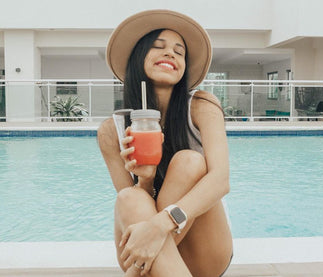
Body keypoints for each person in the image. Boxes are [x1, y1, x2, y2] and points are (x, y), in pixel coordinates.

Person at [97, 10, 233, 277]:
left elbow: (221, 180)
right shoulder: (111, 132)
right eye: (158, 47)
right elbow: (131, 211)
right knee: (130, 195)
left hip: (203, 249)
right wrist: (145, 180)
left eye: (179, 52)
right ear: (139, 58)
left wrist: (162, 224)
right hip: (143, 250)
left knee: (189, 161)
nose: (170, 53)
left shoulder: (202, 107)